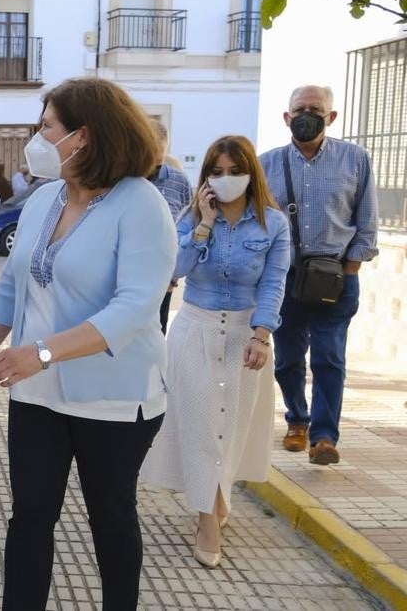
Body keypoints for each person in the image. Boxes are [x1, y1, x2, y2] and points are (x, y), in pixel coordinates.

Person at [0, 78, 176, 611]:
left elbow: (133, 309)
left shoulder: (141, 203)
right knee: (29, 516)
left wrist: (42, 352)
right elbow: (11, 288)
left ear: (84, 135)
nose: (38, 135)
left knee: (110, 515)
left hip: (115, 396)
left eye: (46, 125)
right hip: (37, 395)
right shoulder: (44, 198)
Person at [140, 135, 290, 568]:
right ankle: (207, 516)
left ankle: (218, 496)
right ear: (206, 177)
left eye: (234, 171)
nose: (226, 180)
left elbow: (273, 283)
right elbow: (174, 270)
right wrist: (203, 224)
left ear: (250, 174)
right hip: (195, 331)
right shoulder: (190, 217)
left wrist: (262, 335)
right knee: (204, 425)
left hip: (246, 334)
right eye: (217, 172)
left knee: (234, 426)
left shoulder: (273, 225)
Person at [259, 84, 379, 465]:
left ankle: (324, 437)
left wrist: (351, 267)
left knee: (329, 356)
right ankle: (297, 420)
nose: (305, 115)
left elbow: (367, 220)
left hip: (336, 277)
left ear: (331, 116)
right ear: (286, 116)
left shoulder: (355, 159)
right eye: (299, 109)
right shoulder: (267, 163)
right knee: (288, 359)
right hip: (286, 278)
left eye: (315, 108)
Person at [149, 120, 195, 333]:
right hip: (121, 278)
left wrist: (173, 274)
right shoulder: (117, 179)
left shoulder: (178, 181)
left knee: (158, 332)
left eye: (157, 163)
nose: (150, 167)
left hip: (164, 278)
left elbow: (187, 225)